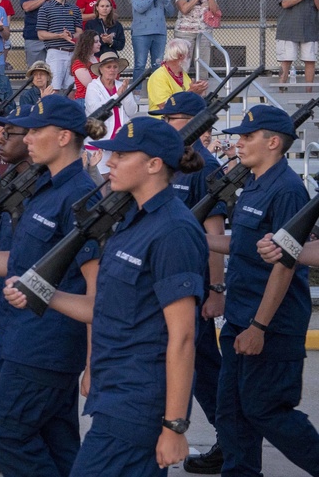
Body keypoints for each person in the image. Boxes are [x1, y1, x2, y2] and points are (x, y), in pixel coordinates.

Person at [4, 116, 207, 476]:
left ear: (154, 165)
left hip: (138, 400)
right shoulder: (132, 222)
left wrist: (175, 426)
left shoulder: (174, 230)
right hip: (115, 393)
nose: (109, 162)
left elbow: (184, 336)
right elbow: (103, 309)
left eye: (121, 156)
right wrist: (41, 292)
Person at [0, 95, 104, 477]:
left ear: (63, 137)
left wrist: (93, 364)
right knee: (56, 442)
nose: (26, 138)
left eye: (35, 131)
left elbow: (96, 290)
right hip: (17, 338)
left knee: (6, 433)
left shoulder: (79, 195)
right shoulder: (43, 186)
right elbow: (20, 262)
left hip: (45, 346)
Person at [208, 106, 319, 476]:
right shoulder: (255, 183)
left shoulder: (287, 189)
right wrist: (195, 236)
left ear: (273, 142)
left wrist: (259, 326)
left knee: (266, 410)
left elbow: (285, 264)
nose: (238, 142)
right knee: (233, 413)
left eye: (247, 136)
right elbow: (243, 242)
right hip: (242, 314)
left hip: (270, 323)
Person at [147, 92, 229, 474]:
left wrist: (215, 291)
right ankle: (231, 438)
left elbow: (213, 233)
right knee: (204, 370)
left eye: (174, 118)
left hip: (194, 288)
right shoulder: (175, 163)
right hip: (175, 283)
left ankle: (231, 439)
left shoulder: (206, 168)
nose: (167, 124)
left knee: (204, 371)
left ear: (196, 123)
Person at [85, 52, 138, 178]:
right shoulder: (93, 87)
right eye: (108, 67)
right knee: (101, 181)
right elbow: (96, 111)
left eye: (115, 67)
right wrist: (117, 96)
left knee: (121, 179)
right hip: (99, 141)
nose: (112, 70)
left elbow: (132, 111)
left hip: (119, 141)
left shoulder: (122, 85)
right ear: (101, 69)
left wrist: (123, 95)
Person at [275, 0, 319, 89]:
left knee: (310, 61)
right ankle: (281, 89)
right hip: (289, 30)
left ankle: (308, 94)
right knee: (286, 60)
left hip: (310, 30)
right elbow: (285, 3)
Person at [131, 0, 177, 86]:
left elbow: (171, 12)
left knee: (158, 64)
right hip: (141, 34)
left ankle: (157, 90)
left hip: (159, 33)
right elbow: (140, 8)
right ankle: (136, 91)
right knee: (140, 64)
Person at [38, 0, 83, 91]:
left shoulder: (75, 9)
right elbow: (41, 34)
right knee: (54, 88)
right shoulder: (45, 8)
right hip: (55, 52)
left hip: (73, 53)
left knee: (72, 89)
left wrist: (71, 36)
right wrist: (59, 35)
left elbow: (80, 32)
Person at [175, 0, 221, 71]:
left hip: (204, 31)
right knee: (183, 62)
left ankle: (202, 84)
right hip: (185, 32)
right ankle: (181, 85)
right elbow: (184, 9)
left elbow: (215, 10)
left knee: (203, 62)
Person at [146, 39, 209, 113]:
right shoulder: (159, 76)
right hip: (163, 121)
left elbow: (188, 101)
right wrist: (191, 92)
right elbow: (165, 106)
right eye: (188, 54)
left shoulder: (183, 74)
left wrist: (198, 92)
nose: (190, 57)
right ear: (180, 56)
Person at [20, 0, 54, 67]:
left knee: (53, 71)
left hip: (52, 37)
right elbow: (26, 7)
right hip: (34, 37)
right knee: (36, 70)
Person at [69, 29, 100, 104]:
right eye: (96, 42)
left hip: (100, 98)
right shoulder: (79, 63)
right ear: (88, 43)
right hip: (84, 99)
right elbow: (90, 85)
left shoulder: (99, 60)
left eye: (99, 41)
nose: (99, 44)